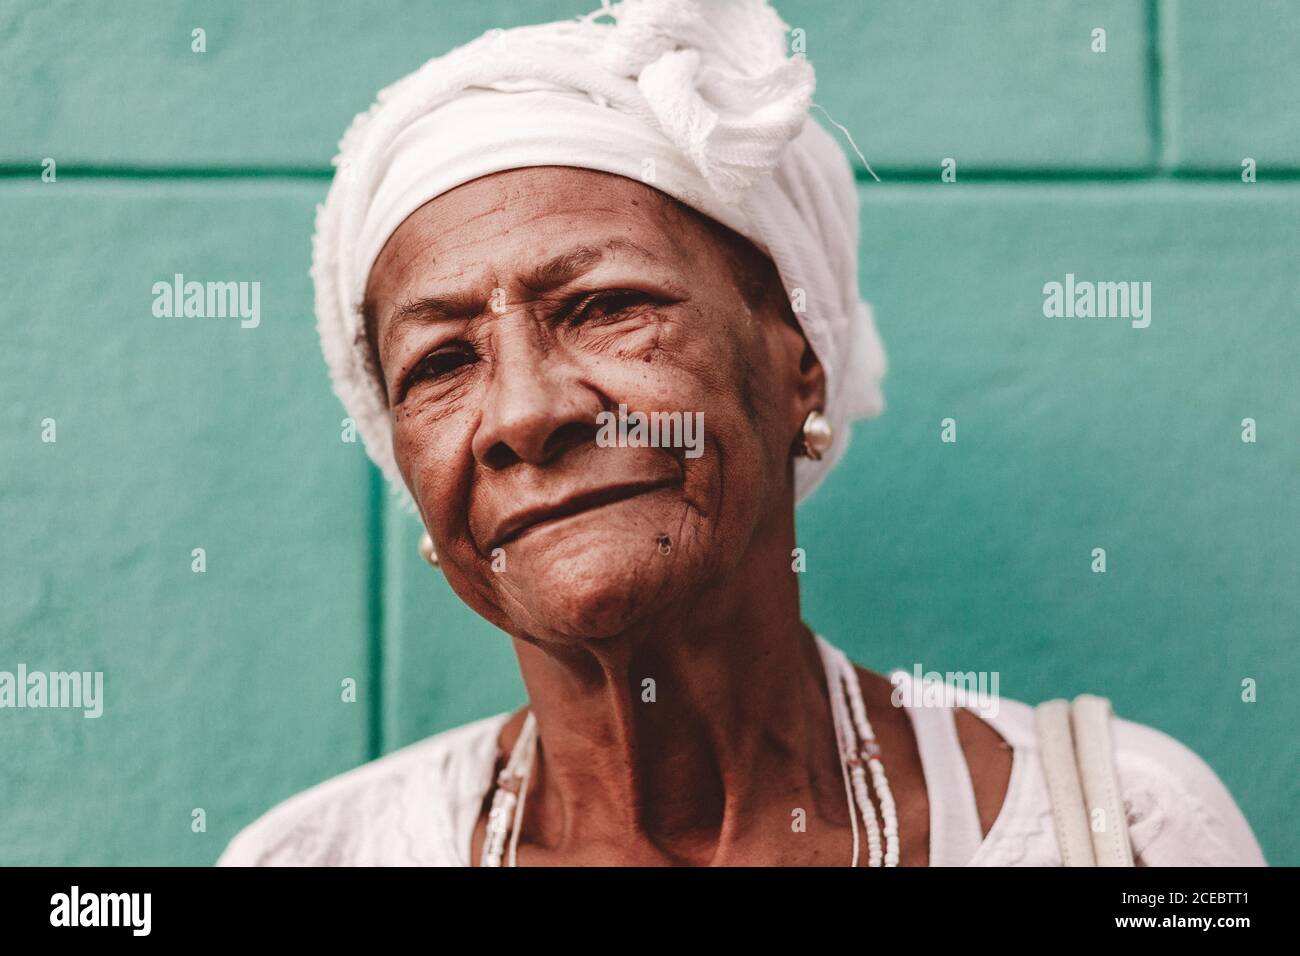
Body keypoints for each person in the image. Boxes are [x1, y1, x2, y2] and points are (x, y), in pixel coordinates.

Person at [218, 0, 1266, 866]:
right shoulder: (316, 855)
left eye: (604, 306)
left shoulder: (1122, 829)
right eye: (441, 364)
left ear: (795, 356)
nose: (527, 413)